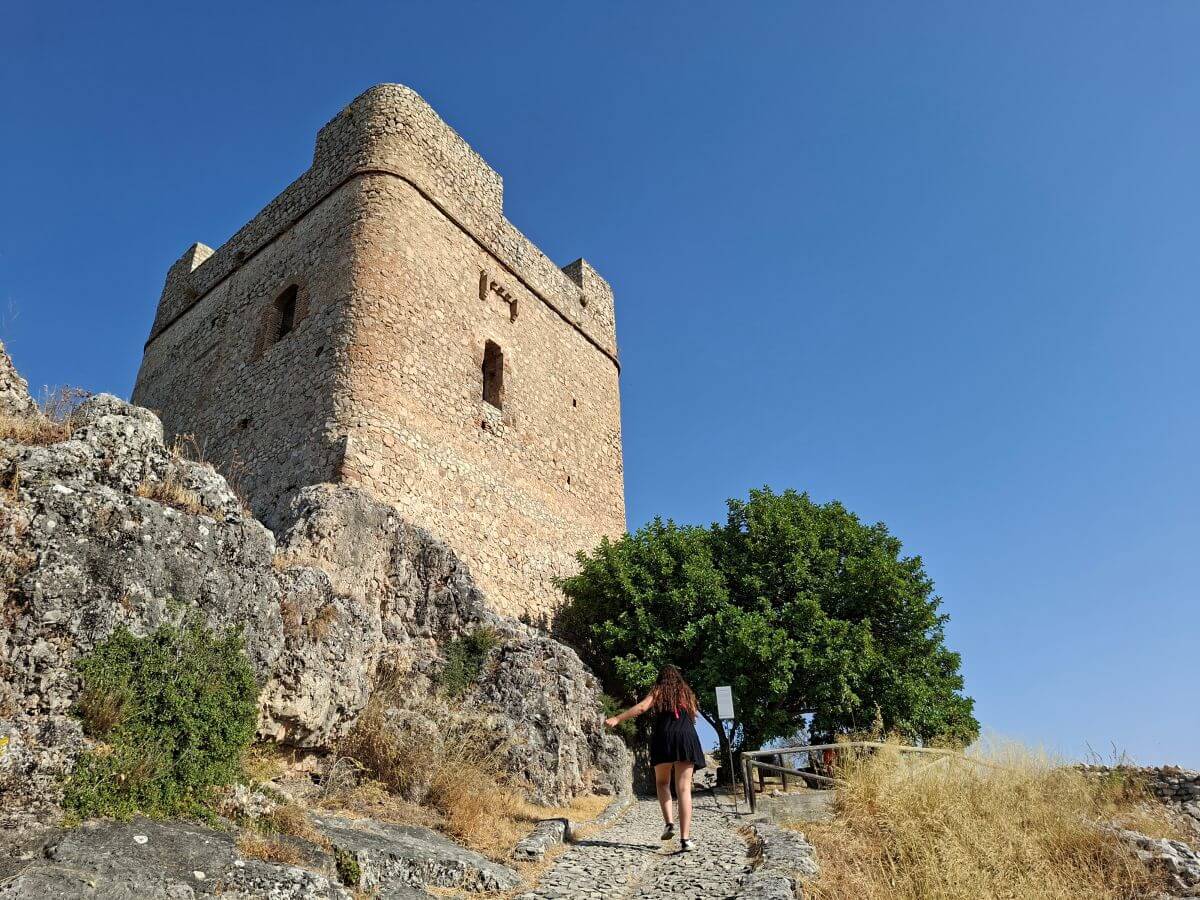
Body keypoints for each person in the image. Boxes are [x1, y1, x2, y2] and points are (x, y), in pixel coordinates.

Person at [604, 665, 707, 852]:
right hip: (686, 737)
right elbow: (694, 716)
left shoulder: (659, 690)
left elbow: (642, 707)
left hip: (664, 737)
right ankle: (685, 839)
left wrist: (618, 718)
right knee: (684, 789)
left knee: (662, 782)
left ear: (661, 679)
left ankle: (669, 823)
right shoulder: (686, 693)